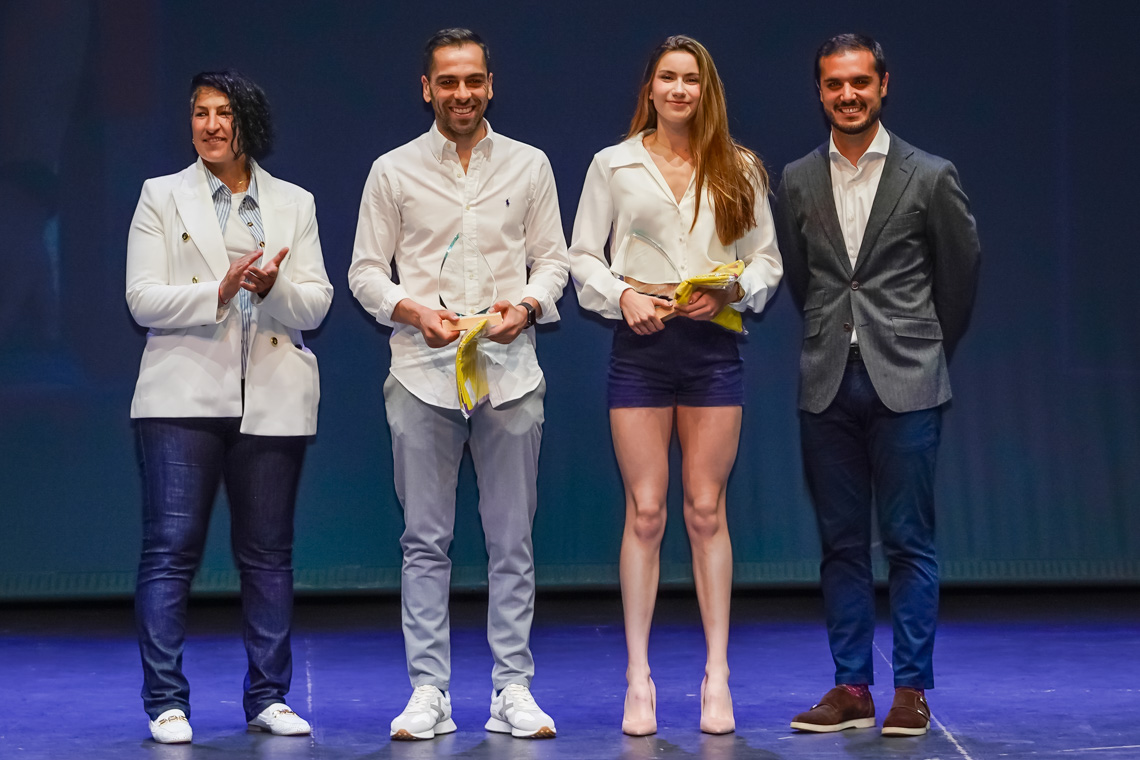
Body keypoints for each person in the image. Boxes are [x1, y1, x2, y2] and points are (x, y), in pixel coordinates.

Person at [349, 28, 569, 741]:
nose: (462, 93)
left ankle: (513, 689)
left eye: (473, 80)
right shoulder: (393, 171)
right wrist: (410, 309)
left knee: (512, 542)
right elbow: (364, 273)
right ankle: (429, 691)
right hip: (422, 374)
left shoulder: (530, 166)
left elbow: (553, 262)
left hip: (509, 373)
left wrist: (528, 307)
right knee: (424, 541)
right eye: (448, 82)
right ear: (427, 89)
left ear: (490, 84)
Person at [568, 35, 782, 736]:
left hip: (713, 347)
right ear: (651, 88)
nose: (680, 90)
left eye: (692, 79)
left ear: (705, 89)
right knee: (648, 511)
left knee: (705, 510)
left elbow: (766, 263)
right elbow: (581, 257)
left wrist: (731, 292)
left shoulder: (740, 166)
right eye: (669, 78)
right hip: (642, 345)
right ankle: (639, 677)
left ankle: (717, 674)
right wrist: (620, 296)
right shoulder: (614, 163)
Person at [775, 34, 980, 737]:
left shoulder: (929, 174)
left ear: (884, 85)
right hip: (827, 380)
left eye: (860, 82)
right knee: (839, 543)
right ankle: (852, 686)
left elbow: (958, 276)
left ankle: (912, 691)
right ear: (820, 92)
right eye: (835, 84)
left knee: (908, 541)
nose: (848, 95)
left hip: (908, 379)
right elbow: (806, 279)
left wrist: (921, 346)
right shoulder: (799, 177)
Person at [126, 70, 332, 744]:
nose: (210, 125)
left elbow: (317, 303)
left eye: (224, 114)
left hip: (272, 396)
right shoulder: (162, 196)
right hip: (180, 394)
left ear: (250, 125)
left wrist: (271, 289)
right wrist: (216, 290)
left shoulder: (293, 203)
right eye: (199, 113)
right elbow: (142, 298)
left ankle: (269, 697)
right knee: (170, 551)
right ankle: (166, 701)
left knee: (268, 556)